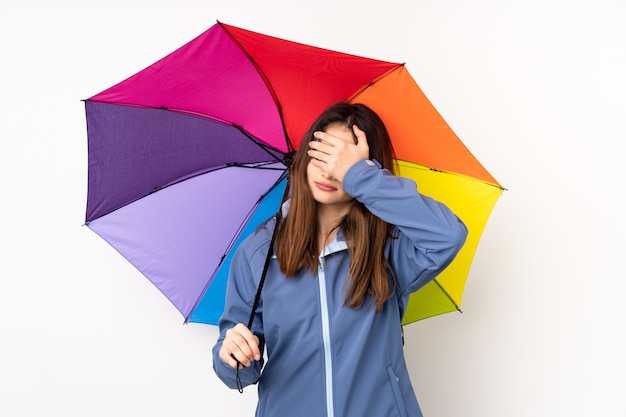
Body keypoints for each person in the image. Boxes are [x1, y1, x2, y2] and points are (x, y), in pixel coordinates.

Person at [212, 102, 468, 417]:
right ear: (305, 155)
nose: (329, 170)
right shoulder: (259, 251)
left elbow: (448, 236)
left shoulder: (389, 246)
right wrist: (231, 356)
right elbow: (240, 372)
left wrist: (360, 178)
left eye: (343, 161)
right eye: (322, 154)